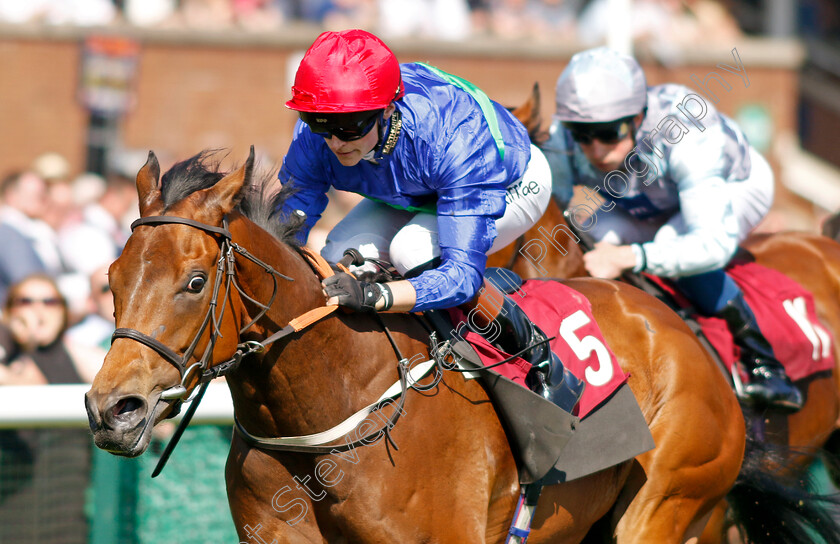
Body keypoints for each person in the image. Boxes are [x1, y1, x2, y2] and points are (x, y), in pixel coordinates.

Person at [278, 29, 584, 413]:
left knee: (412, 251)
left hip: (510, 182)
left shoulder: (451, 136)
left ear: (388, 109)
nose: (335, 143)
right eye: (319, 123)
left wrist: (378, 296)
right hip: (416, 192)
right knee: (339, 256)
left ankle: (537, 355)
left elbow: (461, 276)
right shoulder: (315, 135)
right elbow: (285, 231)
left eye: (350, 127)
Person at [542, 47, 801, 411]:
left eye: (607, 133)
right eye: (583, 135)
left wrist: (632, 255)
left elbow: (711, 244)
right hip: (647, 199)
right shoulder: (562, 137)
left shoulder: (687, 132)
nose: (596, 149)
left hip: (735, 185)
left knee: (669, 243)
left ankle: (763, 361)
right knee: (588, 236)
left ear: (637, 116)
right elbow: (555, 206)